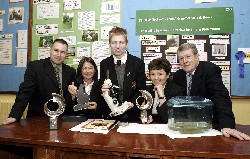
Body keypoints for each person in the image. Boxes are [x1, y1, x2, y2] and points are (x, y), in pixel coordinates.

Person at [172, 42, 250, 140]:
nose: (185, 61)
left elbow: (220, 97)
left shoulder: (210, 70)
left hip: (209, 125)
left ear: (196, 57)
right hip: (186, 126)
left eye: (188, 56)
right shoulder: (178, 76)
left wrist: (227, 125)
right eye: (181, 58)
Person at [3, 39, 76, 125]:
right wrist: (14, 116)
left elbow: (69, 97)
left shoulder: (71, 71)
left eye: (63, 52)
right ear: (50, 50)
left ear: (66, 54)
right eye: (56, 50)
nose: (59, 55)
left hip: (62, 120)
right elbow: (25, 92)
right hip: (39, 119)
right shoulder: (35, 67)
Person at [99, 26, 146, 121]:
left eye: (121, 42)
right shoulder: (104, 64)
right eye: (114, 42)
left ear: (126, 44)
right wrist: (103, 90)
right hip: (111, 116)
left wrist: (132, 103)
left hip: (133, 115)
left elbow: (141, 90)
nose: (117, 46)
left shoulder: (138, 63)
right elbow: (101, 88)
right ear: (109, 44)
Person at [145, 58, 183, 123]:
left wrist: (161, 95)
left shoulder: (176, 91)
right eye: (153, 74)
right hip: (151, 127)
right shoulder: (148, 90)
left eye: (160, 74)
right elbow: (144, 110)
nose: (156, 78)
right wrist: (146, 115)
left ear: (167, 75)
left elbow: (170, 119)